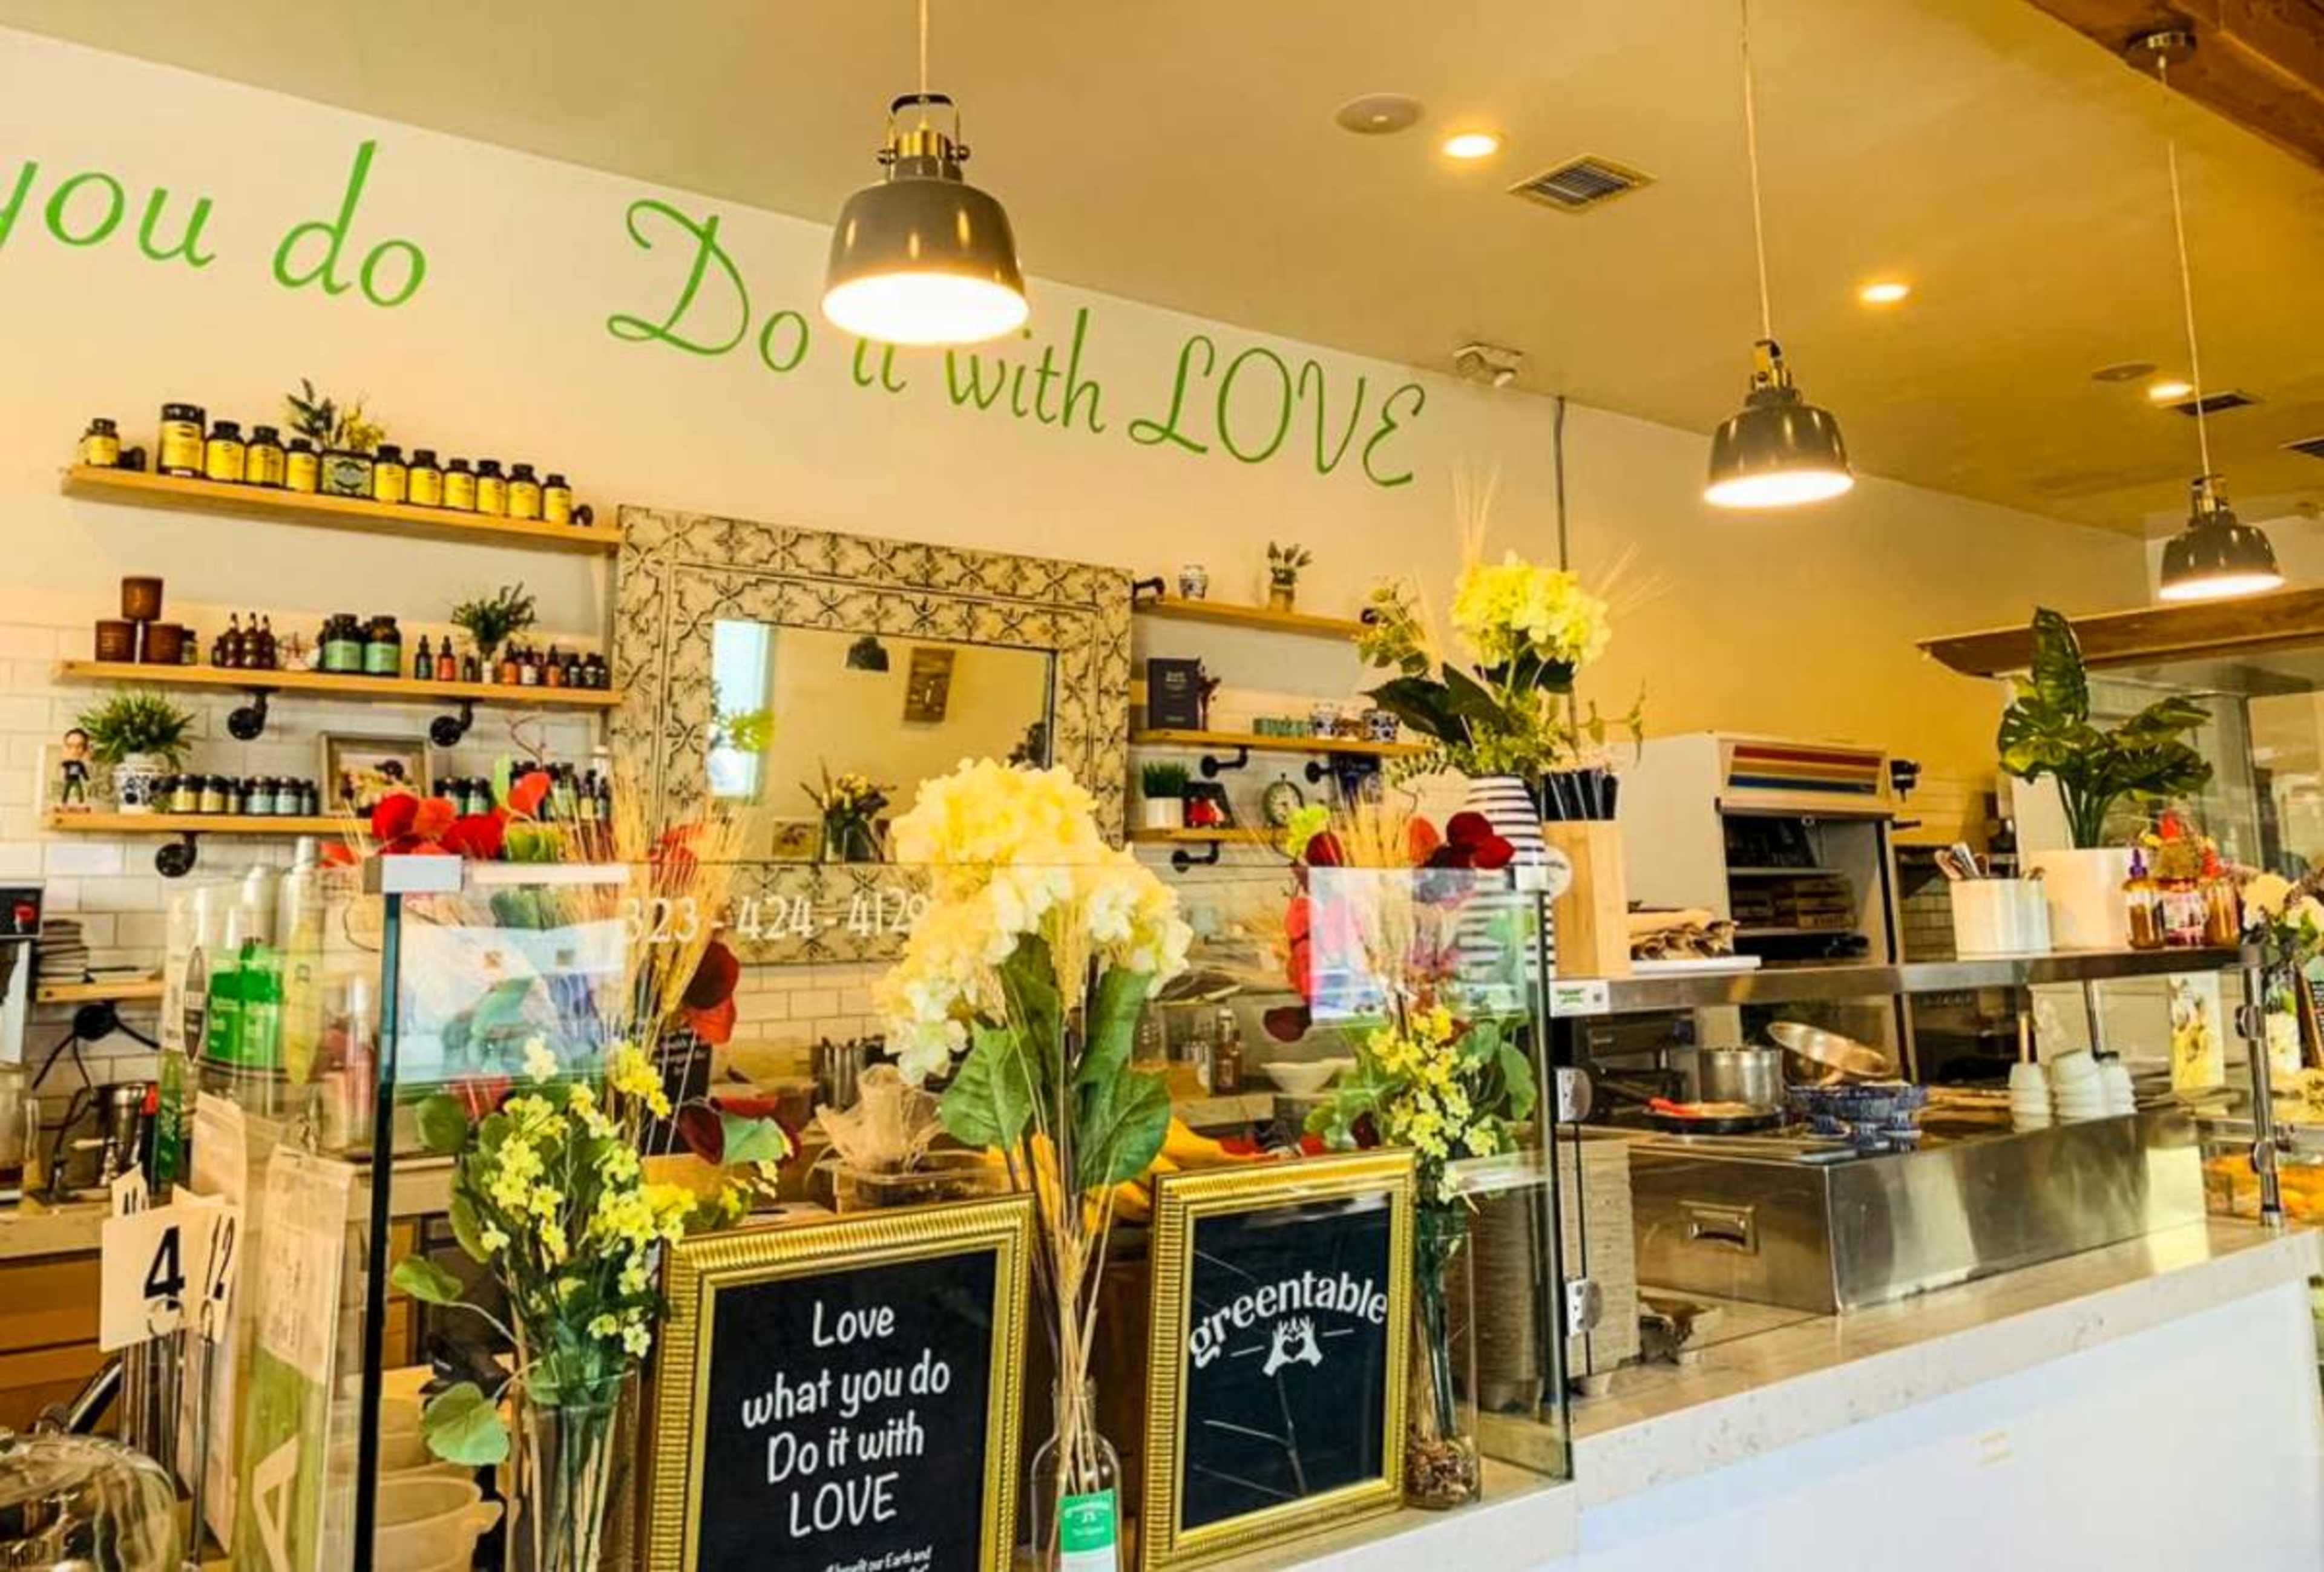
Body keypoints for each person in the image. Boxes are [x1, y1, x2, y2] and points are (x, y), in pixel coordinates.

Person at [57, 728, 90, 810]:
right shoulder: (66, 763)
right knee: (66, 790)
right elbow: (62, 767)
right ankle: (64, 802)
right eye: (69, 746)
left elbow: (83, 771)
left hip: (76, 779)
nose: (74, 751)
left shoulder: (81, 764)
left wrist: (86, 777)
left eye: (79, 746)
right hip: (69, 778)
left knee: (80, 790)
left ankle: (81, 802)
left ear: (86, 748)